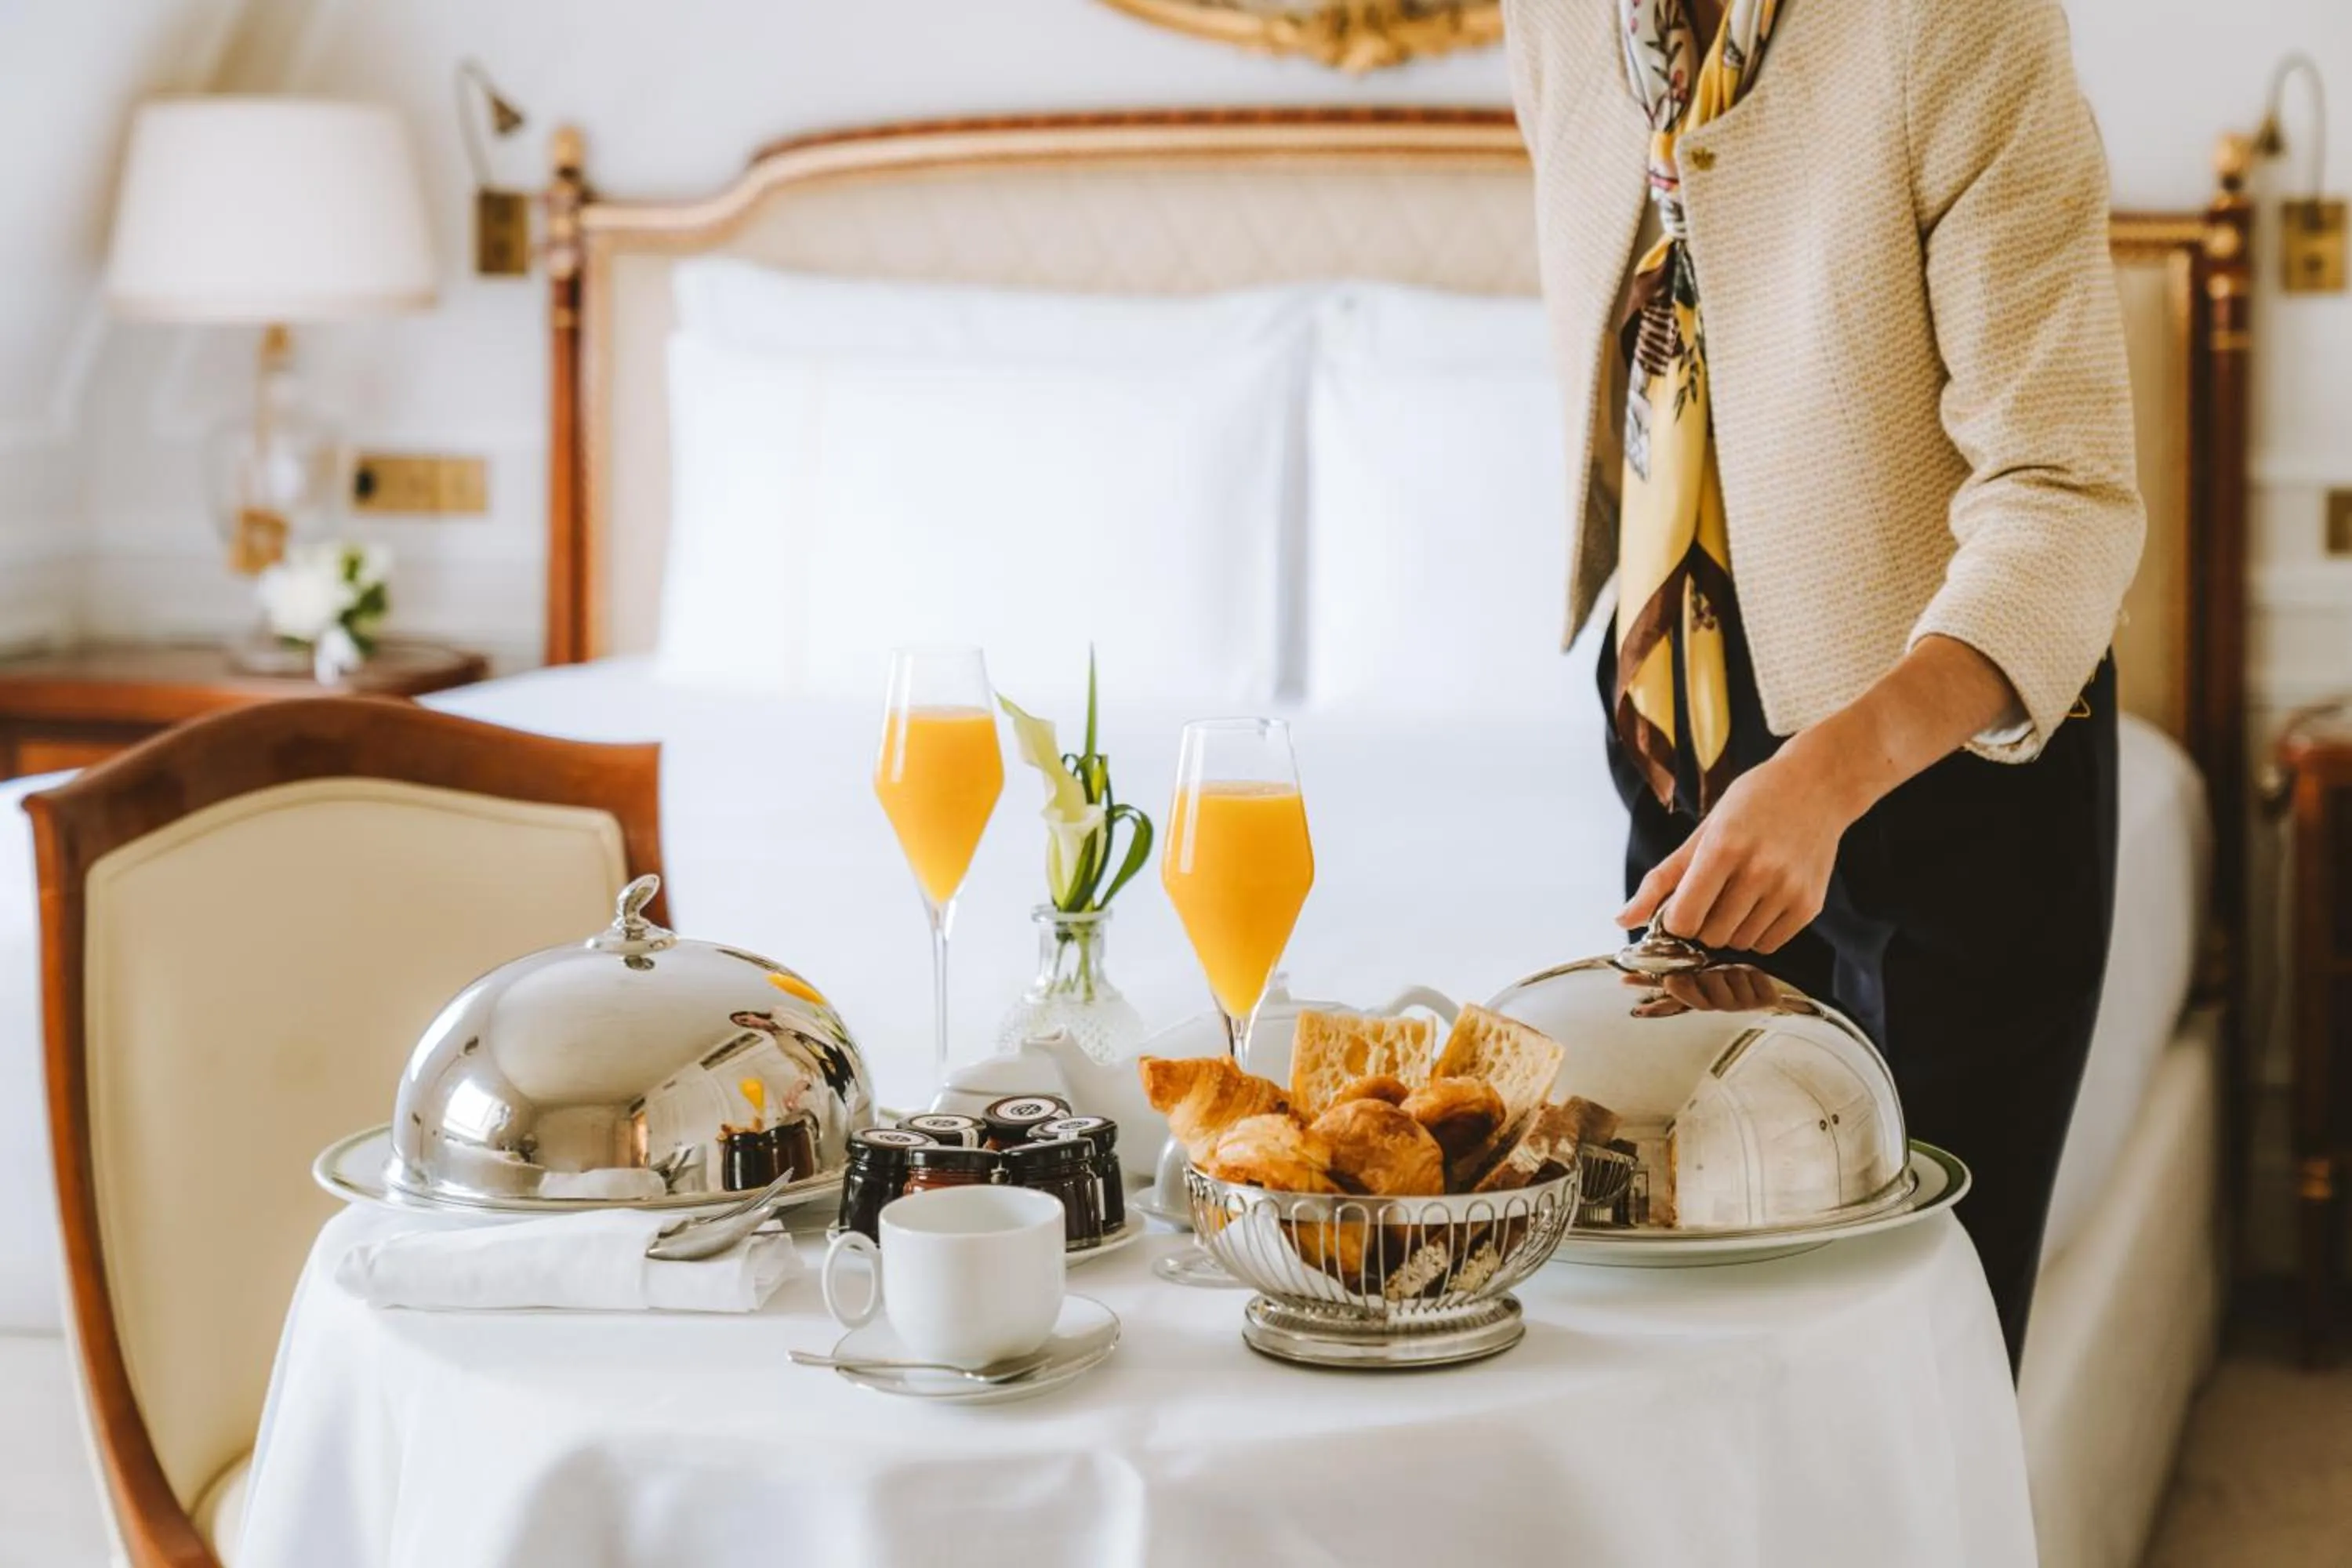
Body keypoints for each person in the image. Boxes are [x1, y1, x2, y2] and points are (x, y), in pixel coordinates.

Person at [1503, 0, 2143, 1368]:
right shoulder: (1558, 18)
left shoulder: (1957, 19)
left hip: (1956, 759)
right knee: (1689, 1344)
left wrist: (1826, 778)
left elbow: (2067, 495)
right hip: (1677, 736)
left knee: (1923, 1365)